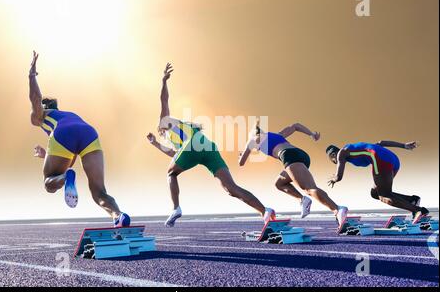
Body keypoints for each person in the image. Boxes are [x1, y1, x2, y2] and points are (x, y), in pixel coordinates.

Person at [147, 63, 276, 227]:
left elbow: (164, 101)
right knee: (230, 188)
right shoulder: (177, 135)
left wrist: (164, 82)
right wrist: (156, 144)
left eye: (159, 131)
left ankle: (176, 208)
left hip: (193, 145)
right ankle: (264, 211)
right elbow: (175, 155)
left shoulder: (165, 123)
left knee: (170, 174)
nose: (160, 132)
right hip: (206, 146)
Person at [28, 51, 130, 227]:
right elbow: (71, 157)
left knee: (48, 184)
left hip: (63, 135)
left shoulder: (42, 115)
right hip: (89, 133)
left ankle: (63, 179)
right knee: (99, 191)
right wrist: (49, 157)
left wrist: (31, 75)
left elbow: (35, 98)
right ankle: (118, 216)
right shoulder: (67, 114)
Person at [239, 119, 349, 226]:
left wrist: (242, 154)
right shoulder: (278, 135)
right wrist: (312, 134)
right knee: (279, 183)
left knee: (309, 188)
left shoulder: (253, 139)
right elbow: (295, 126)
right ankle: (303, 200)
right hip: (302, 155)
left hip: (288, 156)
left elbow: (241, 162)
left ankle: (337, 209)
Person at [326, 141, 428, 222]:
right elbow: (381, 143)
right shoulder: (351, 150)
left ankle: (418, 210)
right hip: (393, 160)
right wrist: (404, 146)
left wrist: (334, 179)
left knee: (384, 196)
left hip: (380, 159)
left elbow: (339, 177)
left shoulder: (341, 153)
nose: (333, 162)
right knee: (375, 193)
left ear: (333, 154)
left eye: (331, 159)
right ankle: (412, 200)